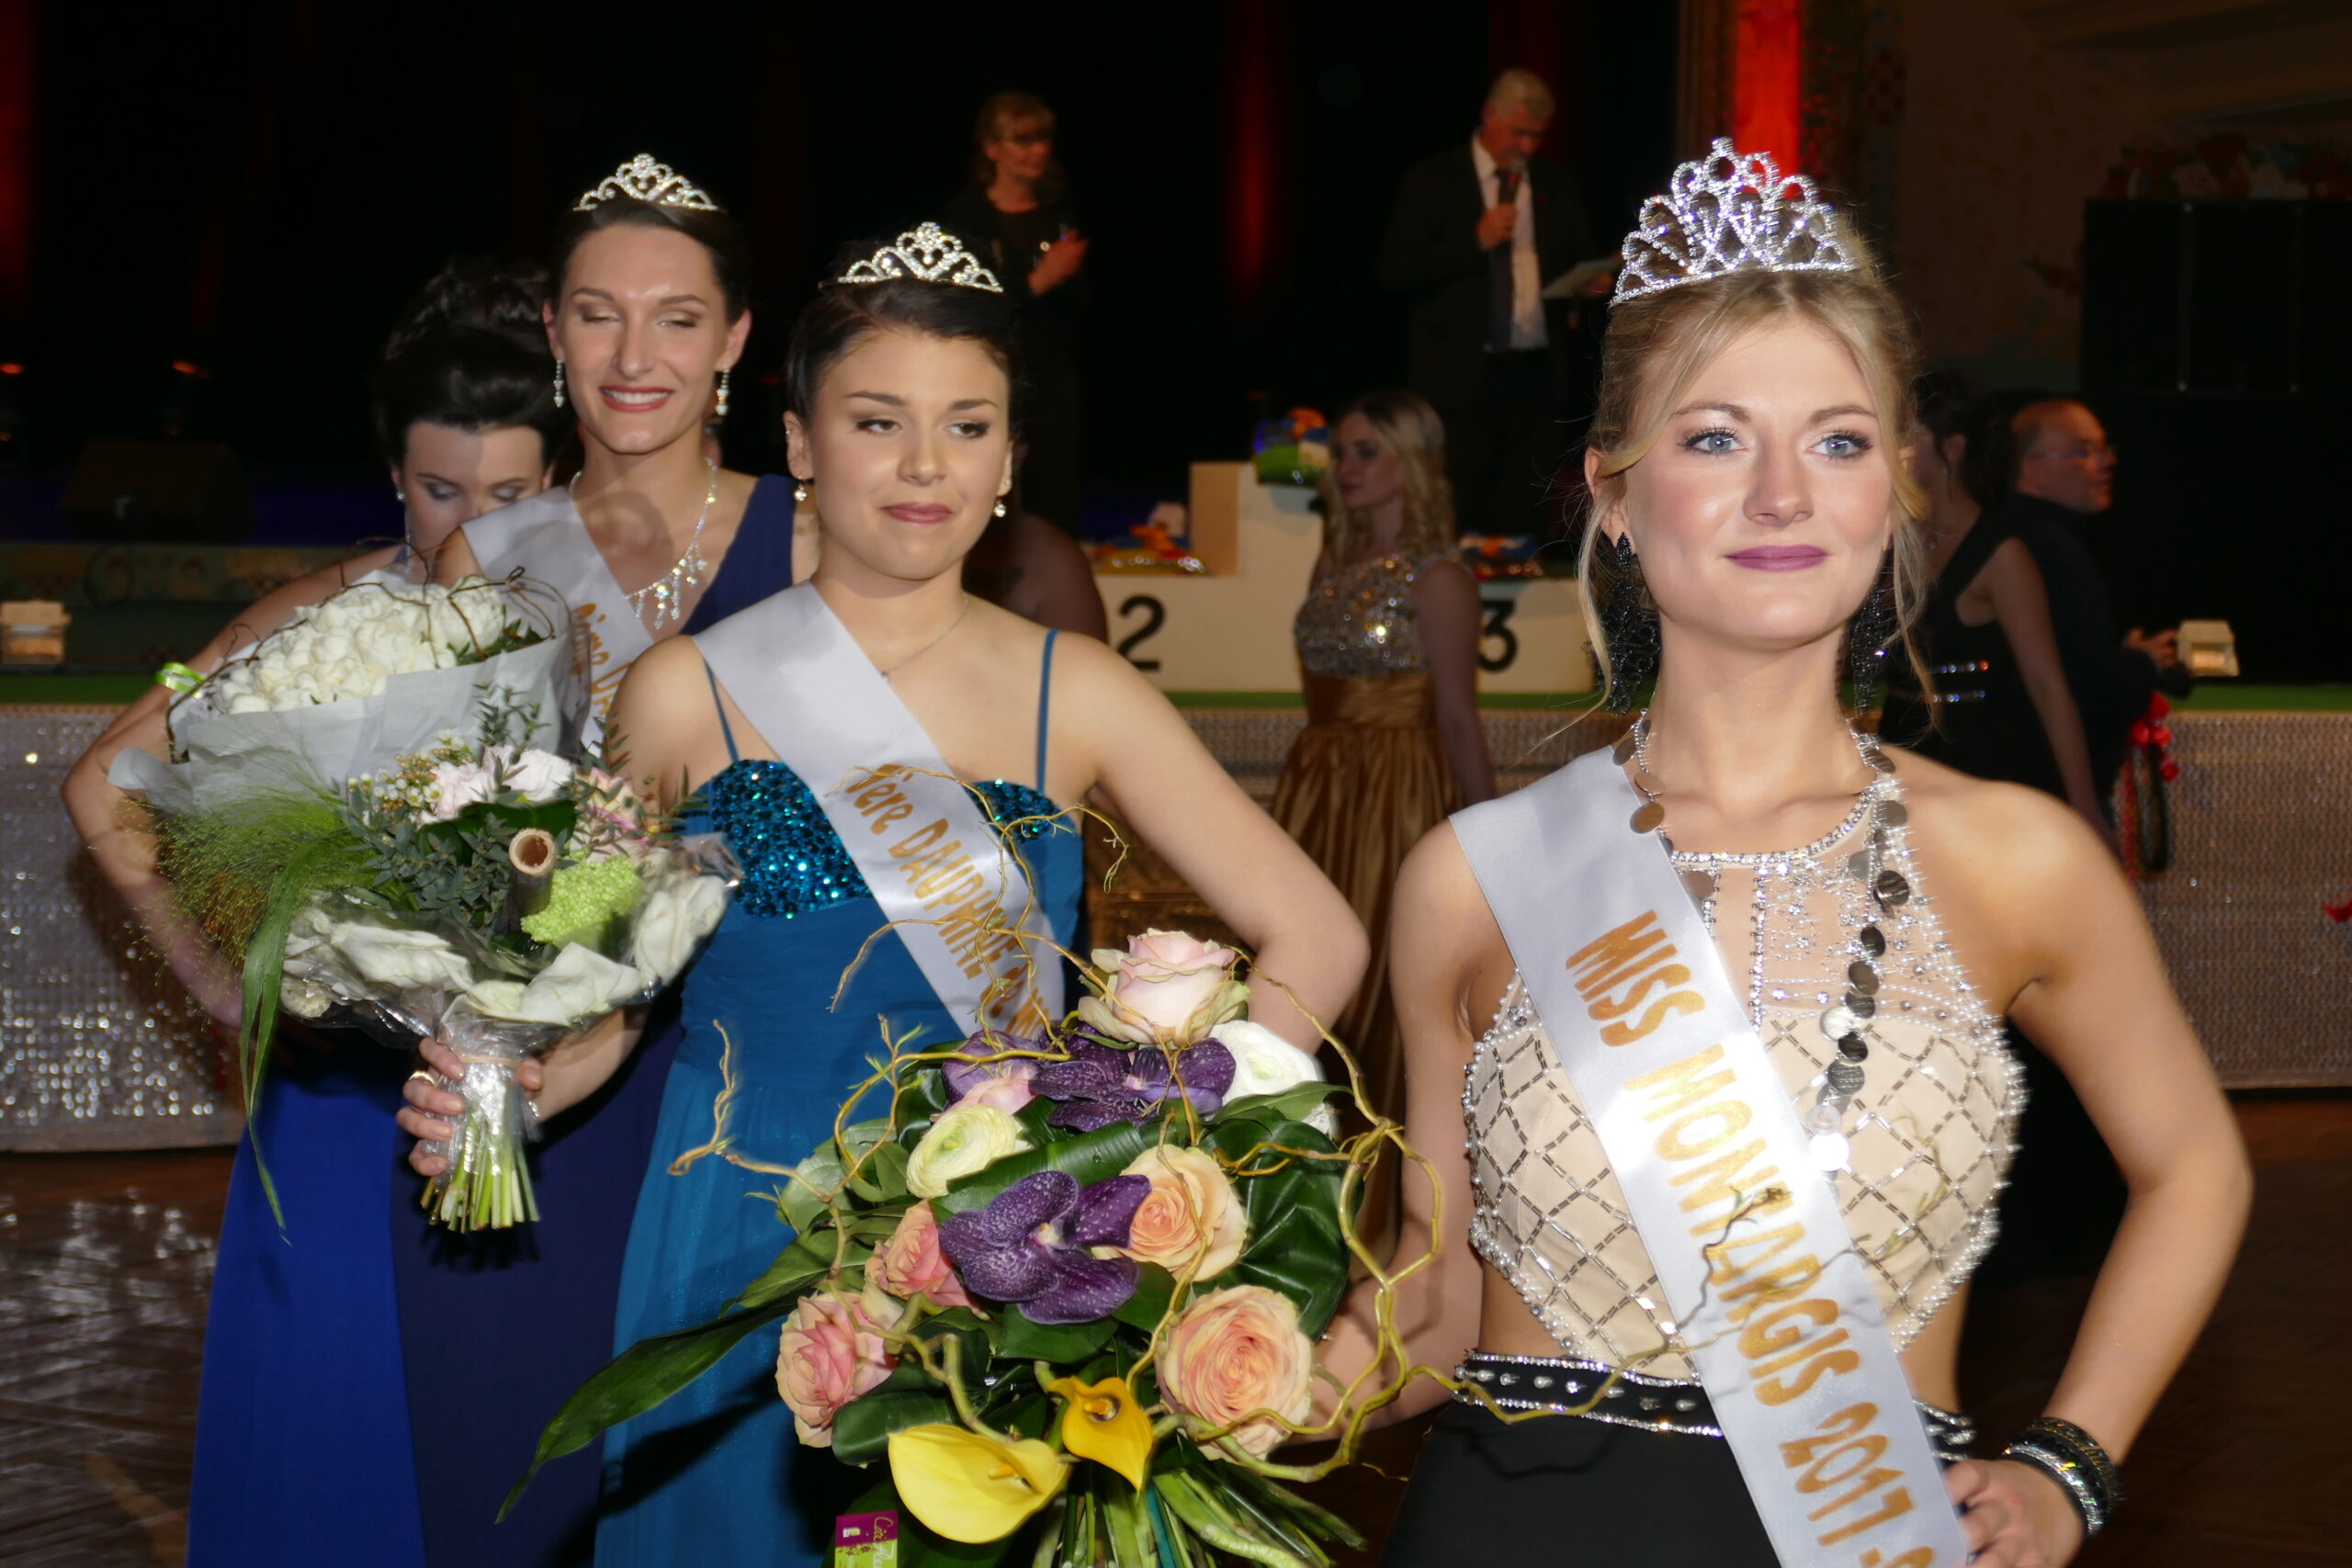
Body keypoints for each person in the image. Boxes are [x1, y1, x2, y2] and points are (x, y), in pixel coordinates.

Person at [1318, 141, 2248, 1567]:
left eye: (1838, 439)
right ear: (1613, 490)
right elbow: (1434, 1303)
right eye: (1712, 437)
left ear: (1900, 487)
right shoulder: (1478, 871)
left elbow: (2195, 1164)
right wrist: (1215, 1375)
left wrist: (2071, 1462)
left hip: (1862, 1531)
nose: (1780, 492)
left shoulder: (2015, 859)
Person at [398, 226, 1366, 1565]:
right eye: (877, 422)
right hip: (737, 1233)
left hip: (999, 1238)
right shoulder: (684, 691)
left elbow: (1319, 932)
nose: (924, 465)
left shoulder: (1076, 688)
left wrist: (1160, 1145)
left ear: (1010, 458)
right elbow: (601, 992)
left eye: (967, 426)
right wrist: (509, 1086)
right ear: (801, 443)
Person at [60, 258, 565, 1568]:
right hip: (348, 1113)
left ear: (560, 480)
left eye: (508, 495)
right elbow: (103, 783)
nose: (469, 527)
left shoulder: (603, 629)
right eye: (439, 488)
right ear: (393, 473)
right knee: (336, 1465)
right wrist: (229, 980)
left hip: (548, 1102)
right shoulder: (318, 613)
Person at [404, 155, 803, 1568]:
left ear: (735, 337)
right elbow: (453, 851)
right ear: (554, 332)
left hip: (756, 1093)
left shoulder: (819, 539)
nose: (635, 356)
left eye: (677, 317)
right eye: (597, 313)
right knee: (519, 1487)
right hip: (542, 1089)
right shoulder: (486, 558)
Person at [1270, 389, 1489, 1250]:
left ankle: (1381, 1225)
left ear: (1412, 461)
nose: (1347, 467)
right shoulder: (1333, 561)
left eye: (1367, 451)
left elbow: (1459, 718)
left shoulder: (1439, 577)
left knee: (1376, 1005)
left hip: (1396, 794)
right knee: (1302, 985)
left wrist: (1489, 845)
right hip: (1318, 787)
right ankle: (1296, 1201)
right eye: (1342, 452)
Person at [1378, 68, 1608, 542]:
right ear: (1488, 116)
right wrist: (1474, 242)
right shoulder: (1435, 178)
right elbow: (1394, 272)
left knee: (1523, 510)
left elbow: (1578, 257)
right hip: (1458, 379)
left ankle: (1514, 582)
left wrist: (1589, 283)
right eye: (1517, 132)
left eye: (1536, 136)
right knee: (1450, 507)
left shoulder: (1555, 183)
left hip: (1536, 376)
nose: (1525, 146)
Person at [1879, 373, 2106, 837]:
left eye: (1908, 437)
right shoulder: (1897, 539)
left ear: (1953, 447)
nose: (1893, 450)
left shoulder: (2001, 553)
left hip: (1975, 768)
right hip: (1900, 759)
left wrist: (2084, 806)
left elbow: (2047, 684)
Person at [2001, 397, 2184, 804]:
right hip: (2044, 791)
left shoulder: (2014, 535)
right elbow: (2080, 691)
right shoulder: (2051, 550)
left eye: (2104, 448)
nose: (2106, 463)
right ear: (2032, 470)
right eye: (2083, 452)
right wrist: (2143, 663)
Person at [942, 91, 1090, 537]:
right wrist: (1039, 280)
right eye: (1023, 140)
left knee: (1054, 489)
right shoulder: (966, 217)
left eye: (1043, 139)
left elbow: (1084, 309)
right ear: (992, 148)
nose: (1037, 151)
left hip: (1052, 376)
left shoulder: (1059, 215)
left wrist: (1069, 278)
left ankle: (1053, 570)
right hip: (987, 371)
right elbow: (966, 303)